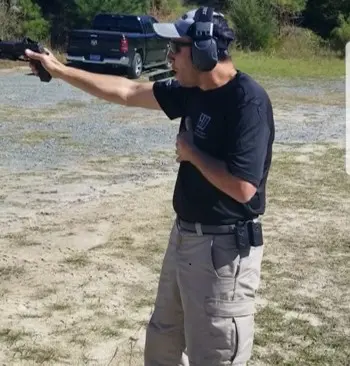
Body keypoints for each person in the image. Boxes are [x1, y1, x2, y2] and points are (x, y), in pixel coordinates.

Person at [25, 6, 275, 366]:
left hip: (223, 250)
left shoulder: (247, 101)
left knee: (214, 354)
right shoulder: (191, 88)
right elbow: (126, 91)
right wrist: (60, 70)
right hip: (185, 238)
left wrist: (193, 154)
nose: (170, 57)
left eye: (176, 48)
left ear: (205, 50)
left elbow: (244, 188)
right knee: (163, 338)